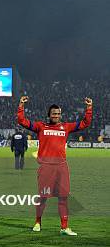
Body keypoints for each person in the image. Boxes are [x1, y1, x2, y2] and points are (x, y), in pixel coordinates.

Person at [17, 96, 92, 235]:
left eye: (58, 114)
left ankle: (64, 227)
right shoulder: (41, 127)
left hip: (62, 167)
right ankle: (38, 222)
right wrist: (21, 105)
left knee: (63, 197)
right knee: (43, 196)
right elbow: (22, 121)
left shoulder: (66, 127)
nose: (56, 116)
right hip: (46, 167)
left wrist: (89, 108)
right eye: (54, 114)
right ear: (49, 115)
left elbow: (85, 123)